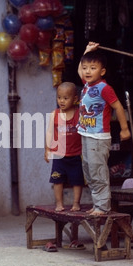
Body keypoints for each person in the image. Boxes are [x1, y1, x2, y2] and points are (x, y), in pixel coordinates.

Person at [77, 42, 131, 216]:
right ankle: (97, 203)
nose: (87, 71)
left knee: (98, 170)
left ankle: (102, 207)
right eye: (86, 68)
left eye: (92, 68)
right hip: (86, 134)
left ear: (102, 72)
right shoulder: (87, 85)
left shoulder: (104, 88)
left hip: (99, 138)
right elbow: (79, 71)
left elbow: (118, 107)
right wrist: (86, 51)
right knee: (89, 170)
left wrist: (124, 129)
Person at [44, 82, 84, 212]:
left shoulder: (79, 115)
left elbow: (85, 133)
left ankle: (76, 203)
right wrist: (47, 149)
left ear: (75, 99)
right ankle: (59, 204)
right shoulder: (54, 114)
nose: (62, 101)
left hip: (76, 155)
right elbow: (49, 132)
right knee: (57, 180)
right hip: (59, 155)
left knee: (77, 180)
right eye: (59, 97)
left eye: (66, 98)